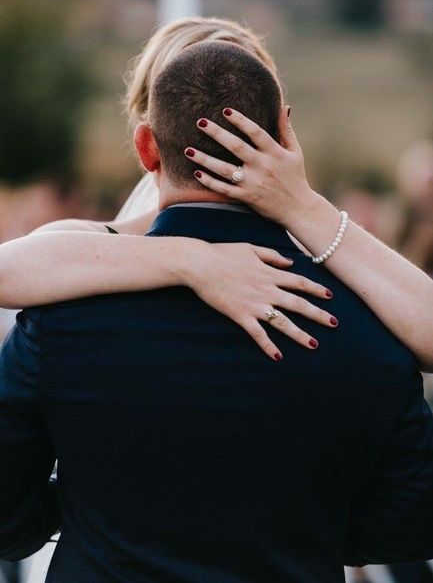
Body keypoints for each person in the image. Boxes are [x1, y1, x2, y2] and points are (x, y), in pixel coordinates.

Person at [1, 38, 433, 582]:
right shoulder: (365, 325)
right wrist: (312, 529)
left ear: (146, 148)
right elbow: (411, 520)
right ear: (284, 135)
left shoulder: (60, 318)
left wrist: (88, 513)